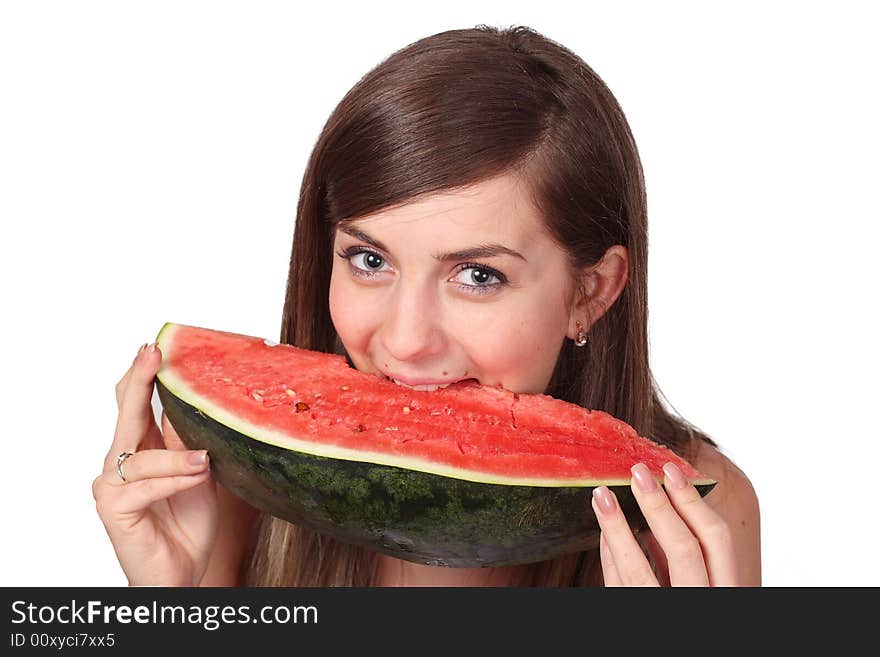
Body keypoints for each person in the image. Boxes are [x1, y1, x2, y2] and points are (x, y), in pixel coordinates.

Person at [94, 25, 760, 587]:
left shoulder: (694, 517)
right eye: (369, 259)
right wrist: (168, 602)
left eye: (476, 274)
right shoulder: (236, 490)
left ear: (591, 291)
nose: (407, 339)